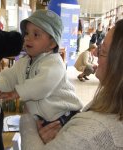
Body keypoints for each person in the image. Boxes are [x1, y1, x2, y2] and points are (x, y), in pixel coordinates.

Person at [20, 19, 123, 150]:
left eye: (102, 51)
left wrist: (26, 120)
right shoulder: (109, 102)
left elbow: (86, 138)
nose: (96, 53)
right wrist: (65, 135)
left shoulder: (94, 132)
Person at [0, 9, 82, 127]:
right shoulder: (24, 61)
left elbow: (43, 84)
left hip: (63, 116)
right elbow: (10, 75)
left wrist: (17, 92)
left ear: (51, 44)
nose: (27, 38)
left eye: (36, 34)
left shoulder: (54, 63)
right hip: (42, 118)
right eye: (27, 33)